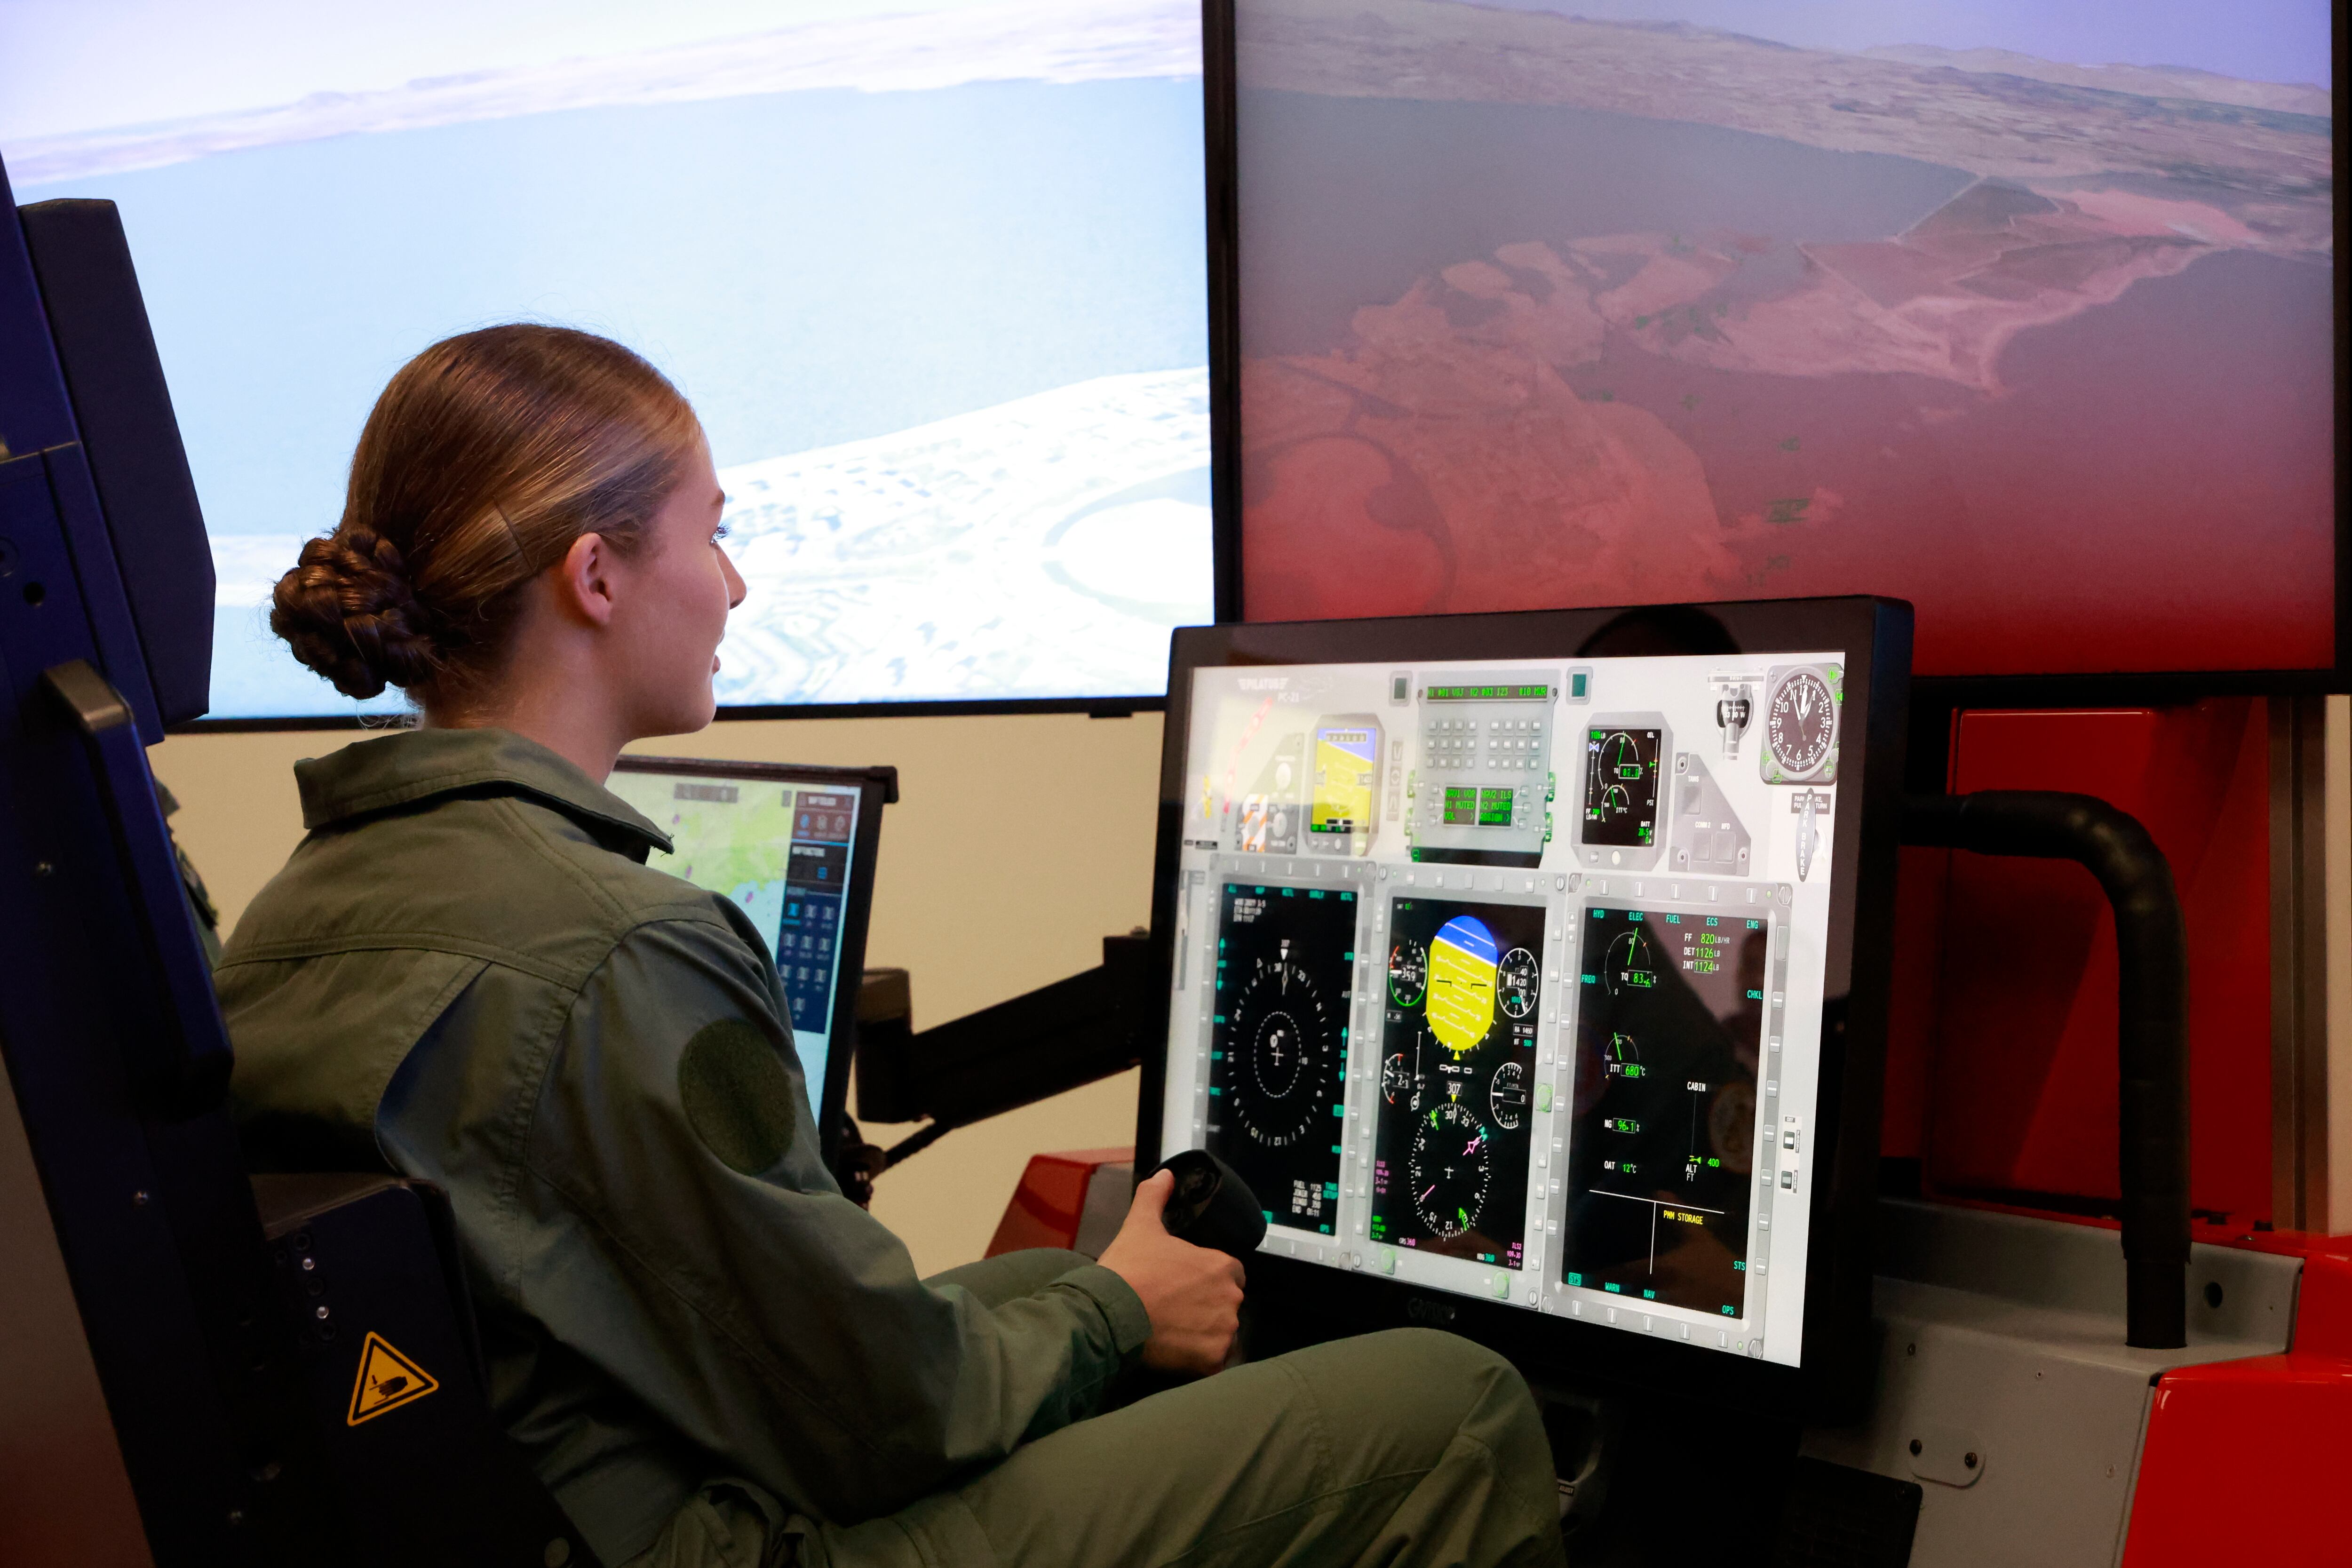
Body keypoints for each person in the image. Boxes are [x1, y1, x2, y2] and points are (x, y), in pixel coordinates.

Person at [217, 325, 1567, 1568]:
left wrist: (1091, 1299)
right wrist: (1112, 1314)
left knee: (1056, 1278)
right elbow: (883, 1425)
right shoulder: (618, 949)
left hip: (544, 1515)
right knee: (1453, 1406)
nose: (736, 585)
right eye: (716, 534)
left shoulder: (296, 912)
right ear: (598, 574)